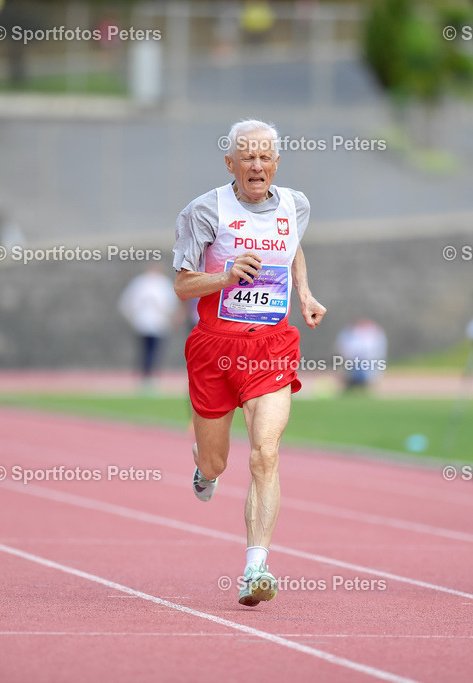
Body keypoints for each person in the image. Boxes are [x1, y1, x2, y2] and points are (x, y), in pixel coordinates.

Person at [172, 119, 326, 606]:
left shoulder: (295, 204)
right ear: (230, 163)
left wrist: (304, 292)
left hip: (270, 347)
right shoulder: (203, 211)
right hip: (215, 348)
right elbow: (181, 284)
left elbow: (292, 246)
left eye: (264, 156)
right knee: (216, 460)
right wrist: (225, 277)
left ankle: (256, 567)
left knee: (266, 453)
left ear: (276, 162)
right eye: (247, 156)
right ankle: (205, 468)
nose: (256, 165)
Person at [118, 265, 179, 388]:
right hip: (144, 323)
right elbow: (127, 303)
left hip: (157, 324)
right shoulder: (142, 283)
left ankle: (149, 375)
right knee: (147, 350)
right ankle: (147, 375)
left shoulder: (160, 283)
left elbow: (170, 304)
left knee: (152, 350)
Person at [334, 318, 387, 392]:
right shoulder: (347, 334)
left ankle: (362, 388)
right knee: (350, 376)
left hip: (364, 360)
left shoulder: (370, 334)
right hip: (352, 360)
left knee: (364, 376)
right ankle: (352, 388)